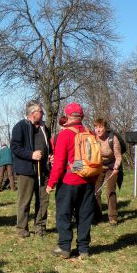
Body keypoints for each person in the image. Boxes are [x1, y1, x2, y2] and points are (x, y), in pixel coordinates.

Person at [46, 103, 96, 259]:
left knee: (64, 214)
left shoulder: (65, 134)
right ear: (81, 117)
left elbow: (59, 163)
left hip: (69, 181)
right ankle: (83, 249)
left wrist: (51, 183)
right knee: (85, 215)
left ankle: (64, 247)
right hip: (87, 180)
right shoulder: (90, 133)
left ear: (67, 116)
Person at [10, 100, 52, 238]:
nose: (43, 113)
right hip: (27, 170)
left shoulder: (44, 128)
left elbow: (48, 145)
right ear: (33, 113)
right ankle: (22, 228)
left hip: (43, 169)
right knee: (25, 200)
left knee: (43, 199)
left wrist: (50, 156)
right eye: (41, 111)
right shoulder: (20, 127)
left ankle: (40, 227)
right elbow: (15, 147)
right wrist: (31, 155)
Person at [93, 118, 123, 225]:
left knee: (110, 190)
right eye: (96, 127)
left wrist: (116, 168)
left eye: (100, 127)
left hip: (112, 166)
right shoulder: (93, 139)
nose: (98, 130)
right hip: (99, 166)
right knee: (96, 191)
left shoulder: (112, 138)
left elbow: (118, 156)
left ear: (105, 128)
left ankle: (112, 217)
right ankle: (97, 216)